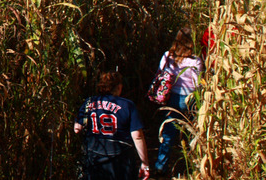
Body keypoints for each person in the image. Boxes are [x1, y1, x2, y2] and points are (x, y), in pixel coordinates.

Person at [75, 71, 150, 180]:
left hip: (94, 156)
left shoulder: (88, 102)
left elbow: (77, 129)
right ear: (119, 87)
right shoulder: (128, 105)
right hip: (121, 159)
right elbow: (137, 136)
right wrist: (145, 163)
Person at [154, 27, 203, 175]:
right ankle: (193, 166)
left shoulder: (168, 56)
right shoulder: (195, 61)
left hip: (172, 98)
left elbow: (160, 74)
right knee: (194, 132)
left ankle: (161, 167)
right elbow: (198, 84)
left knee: (168, 133)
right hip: (190, 99)